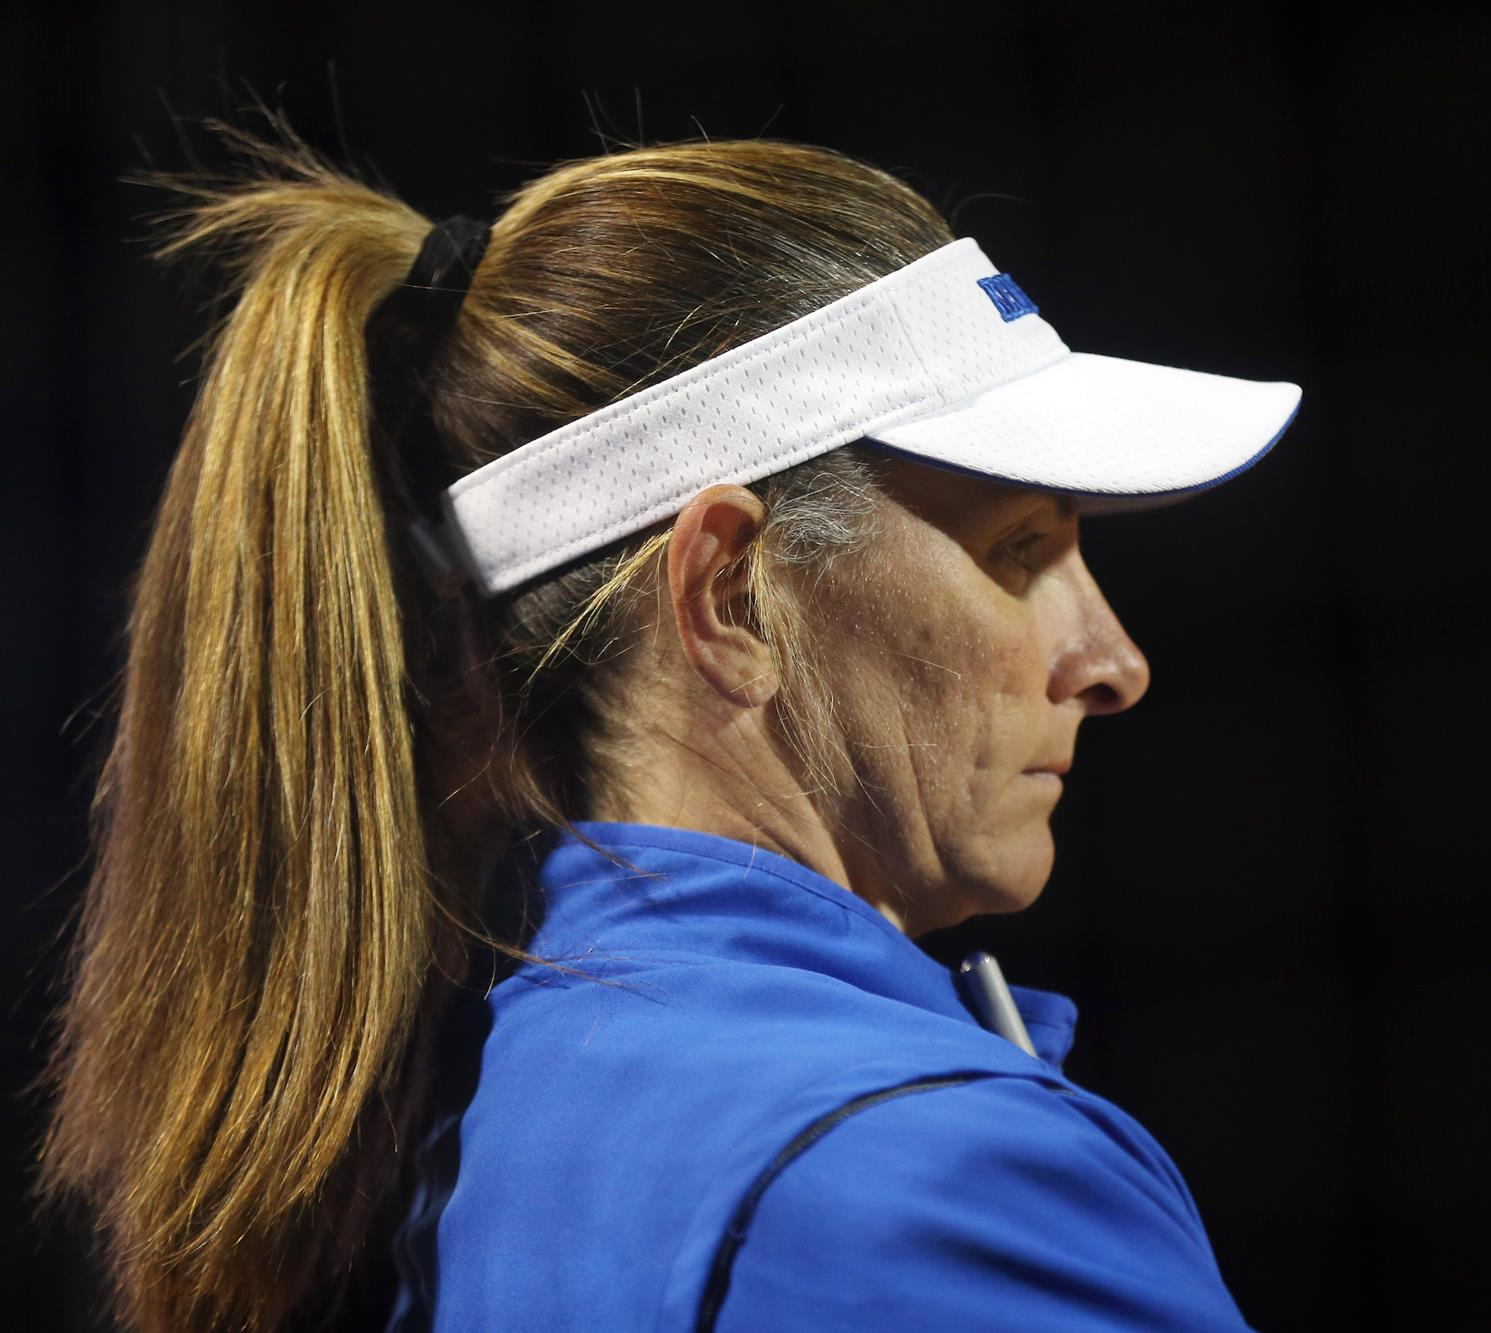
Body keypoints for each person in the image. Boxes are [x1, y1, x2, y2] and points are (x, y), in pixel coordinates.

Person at [36, 116, 1300, 1333]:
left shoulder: (447, 1129)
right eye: (1016, 549)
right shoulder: (935, 1180)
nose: (1110, 662)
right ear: (727, 594)